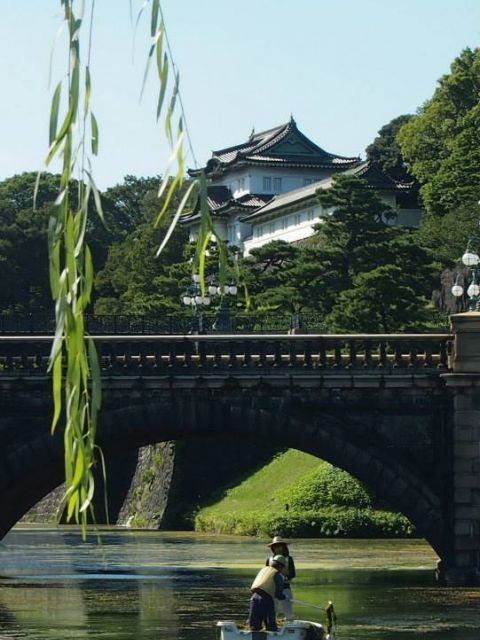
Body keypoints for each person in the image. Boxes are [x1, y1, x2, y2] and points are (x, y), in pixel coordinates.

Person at [248, 555, 286, 631]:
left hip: (254, 598)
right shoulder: (278, 575)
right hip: (266, 600)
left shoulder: (263, 570)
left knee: (254, 625)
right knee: (270, 624)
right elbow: (279, 593)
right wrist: (282, 596)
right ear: (281, 567)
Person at [266, 535, 296, 621]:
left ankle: (290, 625)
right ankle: (272, 626)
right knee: (273, 609)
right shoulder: (269, 559)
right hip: (273, 588)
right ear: (273, 548)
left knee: (288, 610)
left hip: (285, 587)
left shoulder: (289, 559)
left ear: (283, 547)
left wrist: (284, 578)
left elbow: (293, 573)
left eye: (279, 546)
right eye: (275, 546)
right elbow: (266, 572)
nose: (277, 548)